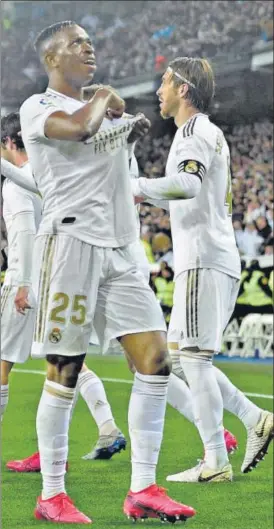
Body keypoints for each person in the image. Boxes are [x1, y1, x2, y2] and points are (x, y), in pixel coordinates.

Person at [19, 22, 195, 524]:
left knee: (155, 363)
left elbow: (119, 166)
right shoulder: (40, 107)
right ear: (52, 58)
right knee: (65, 371)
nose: (88, 47)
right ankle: (51, 495)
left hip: (120, 253)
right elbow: (79, 129)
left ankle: (142, 487)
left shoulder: (107, 114)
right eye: (76, 43)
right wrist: (108, 100)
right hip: (70, 245)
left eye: (89, 41)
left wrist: (127, 125)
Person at [132, 56, 273, 483]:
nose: (159, 89)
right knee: (178, 358)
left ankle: (215, 461)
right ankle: (253, 418)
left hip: (203, 259)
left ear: (184, 89)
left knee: (192, 358)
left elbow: (188, 185)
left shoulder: (194, 132)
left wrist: (135, 189)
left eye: (165, 82)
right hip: (210, 257)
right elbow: (188, 191)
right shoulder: (200, 133)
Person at [0, 113, 126, 469]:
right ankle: (103, 426)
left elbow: (24, 232)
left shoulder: (16, 184)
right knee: (66, 359)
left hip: (27, 281)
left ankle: (61, 450)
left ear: (10, 143)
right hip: (58, 274)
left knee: (2, 364)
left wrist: (22, 281)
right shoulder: (51, 174)